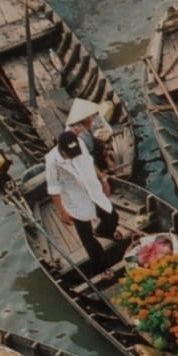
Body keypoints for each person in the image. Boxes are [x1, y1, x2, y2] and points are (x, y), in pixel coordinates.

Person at [45, 129, 119, 277]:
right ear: (61, 149)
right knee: (87, 239)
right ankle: (101, 267)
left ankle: (103, 231)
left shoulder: (80, 144)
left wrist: (103, 179)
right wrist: (62, 212)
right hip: (74, 199)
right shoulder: (51, 161)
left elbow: (90, 162)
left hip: (92, 190)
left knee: (112, 217)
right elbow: (53, 188)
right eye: (69, 154)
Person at [66, 96, 115, 172]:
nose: (92, 118)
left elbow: (109, 130)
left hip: (95, 150)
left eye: (91, 116)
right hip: (84, 157)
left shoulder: (95, 119)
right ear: (84, 119)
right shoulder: (75, 132)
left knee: (101, 141)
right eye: (89, 117)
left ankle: (106, 158)